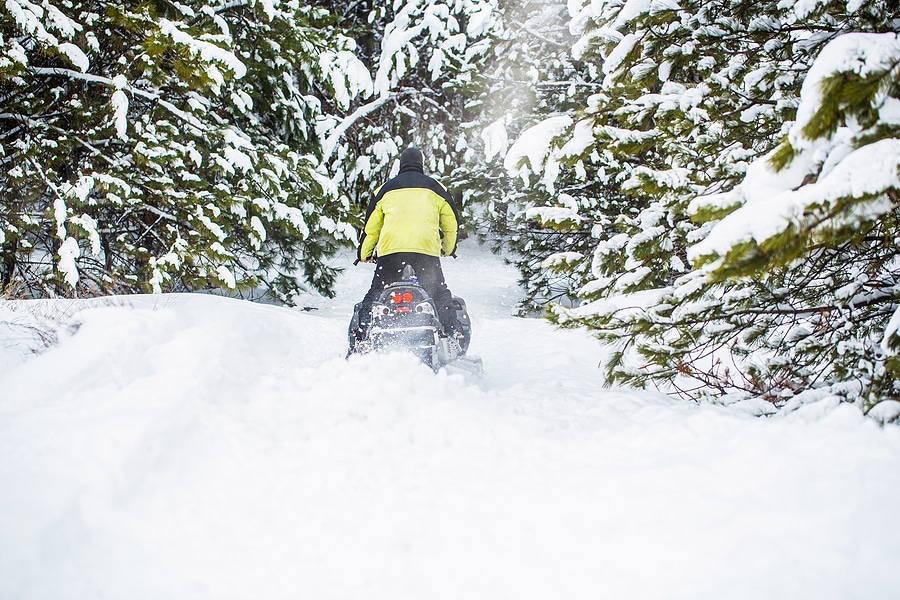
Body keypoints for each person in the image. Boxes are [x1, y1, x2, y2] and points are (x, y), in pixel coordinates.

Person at [349, 147, 461, 351]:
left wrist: (364, 254)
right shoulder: (436, 187)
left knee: (376, 294)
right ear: (421, 164)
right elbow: (450, 224)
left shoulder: (385, 189)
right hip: (425, 251)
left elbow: (371, 228)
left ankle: (362, 339)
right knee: (438, 292)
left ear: (401, 165)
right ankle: (452, 335)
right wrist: (448, 249)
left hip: (392, 252)